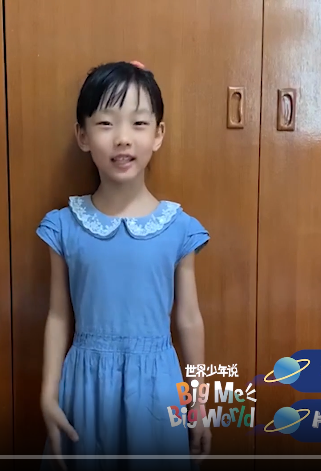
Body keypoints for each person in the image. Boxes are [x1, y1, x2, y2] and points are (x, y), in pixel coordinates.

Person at [36, 61, 211, 471]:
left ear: (158, 134)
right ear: (82, 135)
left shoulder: (178, 228)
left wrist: (199, 400)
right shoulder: (64, 225)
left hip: (157, 389)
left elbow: (188, 318)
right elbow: (58, 315)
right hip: (85, 389)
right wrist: (48, 392)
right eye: (105, 123)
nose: (123, 138)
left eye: (138, 123)